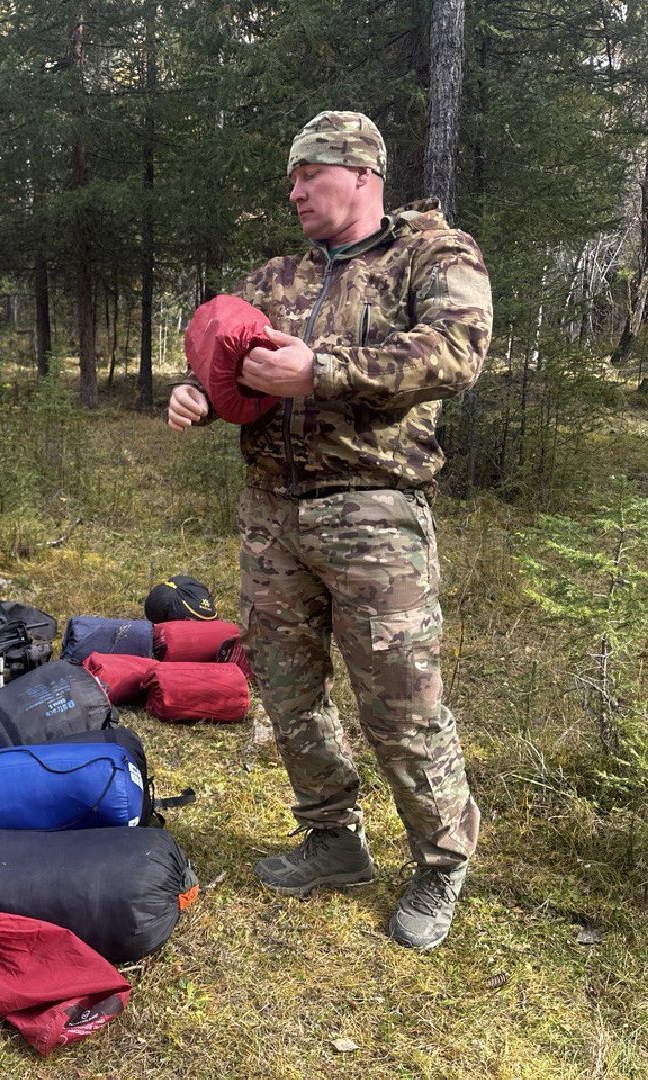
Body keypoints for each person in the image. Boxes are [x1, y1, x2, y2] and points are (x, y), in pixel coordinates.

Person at [167, 111, 493, 951]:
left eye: (309, 175)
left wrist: (323, 370)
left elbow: (457, 351)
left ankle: (441, 860)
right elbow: (226, 367)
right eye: (292, 178)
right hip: (271, 513)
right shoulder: (276, 276)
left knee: (401, 701)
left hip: (373, 508)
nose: (295, 192)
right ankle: (332, 838)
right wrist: (199, 395)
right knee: (287, 690)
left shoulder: (432, 255)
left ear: (361, 174)